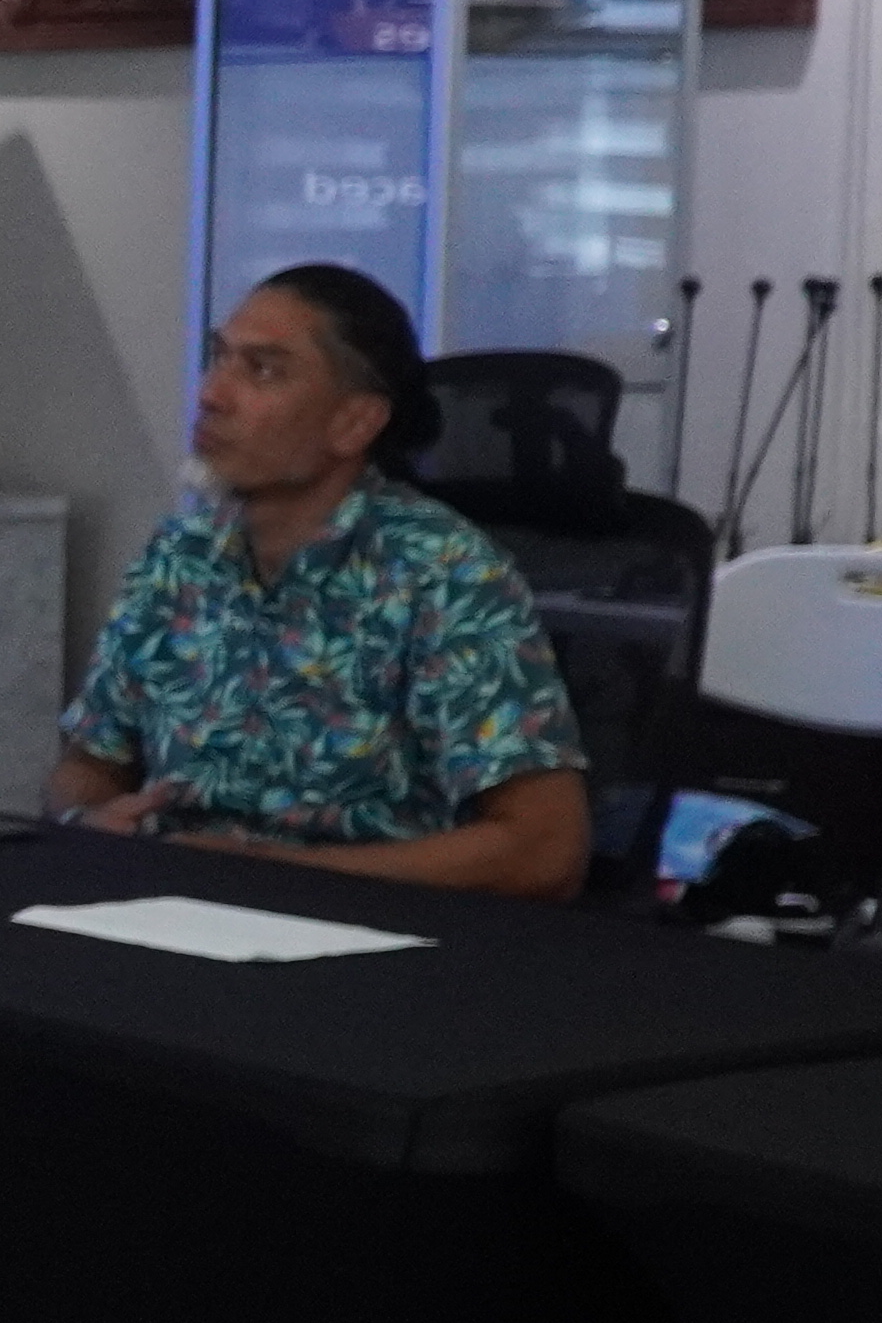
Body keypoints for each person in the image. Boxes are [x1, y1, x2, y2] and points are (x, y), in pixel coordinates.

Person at [48, 262, 591, 901]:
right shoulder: (179, 556)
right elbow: (90, 765)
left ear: (354, 423)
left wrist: (266, 874)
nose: (212, 394)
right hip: (174, 906)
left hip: (370, 934)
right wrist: (87, 821)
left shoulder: (443, 575)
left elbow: (548, 851)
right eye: (220, 358)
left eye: (264, 370)